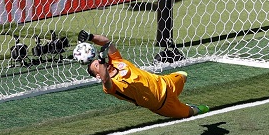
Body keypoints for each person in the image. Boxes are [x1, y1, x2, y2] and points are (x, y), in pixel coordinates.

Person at [72, 32, 208, 119]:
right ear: (97, 76)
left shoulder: (117, 61)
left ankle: (183, 97)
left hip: (165, 82)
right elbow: (106, 78)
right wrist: (101, 59)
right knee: (191, 113)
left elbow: (107, 42)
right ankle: (192, 108)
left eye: (99, 62)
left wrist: (90, 37)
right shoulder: (110, 86)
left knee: (183, 74)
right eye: (97, 66)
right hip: (163, 105)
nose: (101, 64)